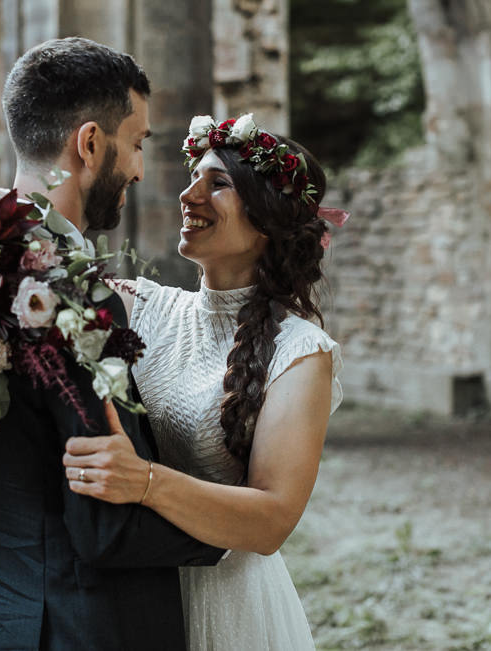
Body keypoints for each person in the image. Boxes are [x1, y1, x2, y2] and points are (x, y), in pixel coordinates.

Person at [0, 38, 225, 651]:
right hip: (70, 628)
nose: (139, 169)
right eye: (136, 143)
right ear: (89, 143)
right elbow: (105, 527)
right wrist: (229, 524)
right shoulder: (70, 300)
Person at [62, 113, 346, 650]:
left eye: (218, 184)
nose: (188, 195)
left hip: (224, 605)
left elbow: (272, 520)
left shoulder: (300, 351)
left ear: (268, 217)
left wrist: (143, 481)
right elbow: (42, 283)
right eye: (194, 177)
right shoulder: (138, 304)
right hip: (125, 595)